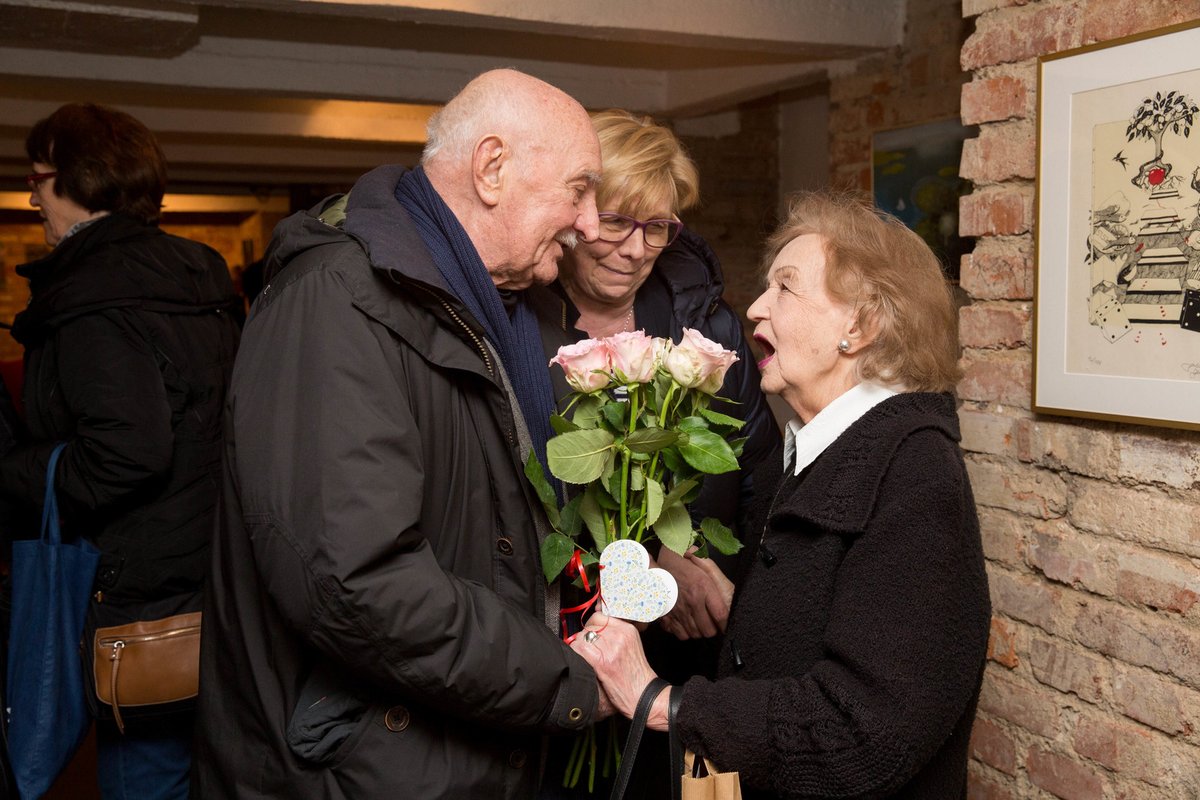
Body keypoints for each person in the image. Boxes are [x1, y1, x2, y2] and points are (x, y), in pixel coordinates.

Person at [194, 69, 605, 799]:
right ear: (491, 168)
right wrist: (564, 679)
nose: (593, 223)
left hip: (460, 748)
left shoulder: (506, 311)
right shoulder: (337, 304)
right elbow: (359, 583)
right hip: (356, 770)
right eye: (579, 189)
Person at [573, 191, 992, 799]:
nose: (756, 309)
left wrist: (663, 702)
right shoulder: (808, 457)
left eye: (785, 288)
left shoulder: (915, 476)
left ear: (862, 325)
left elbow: (866, 733)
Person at [0, 103, 241, 799]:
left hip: (139, 593)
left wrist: (18, 469)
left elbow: (127, 455)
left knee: (146, 774)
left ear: (77, 181)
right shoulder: (198, 272)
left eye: (37, 177)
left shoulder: (90, 292)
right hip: (214, 579)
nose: (29, 194)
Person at [532, 109, 778, 647]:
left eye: (658, 228)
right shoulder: (519, 326)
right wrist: (653, 562)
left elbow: (759, 473)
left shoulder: (706, 326)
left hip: (696, 634)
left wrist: (722, 583)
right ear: (578, 216)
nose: (637, 250)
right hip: (561, 635)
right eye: (617, 222)